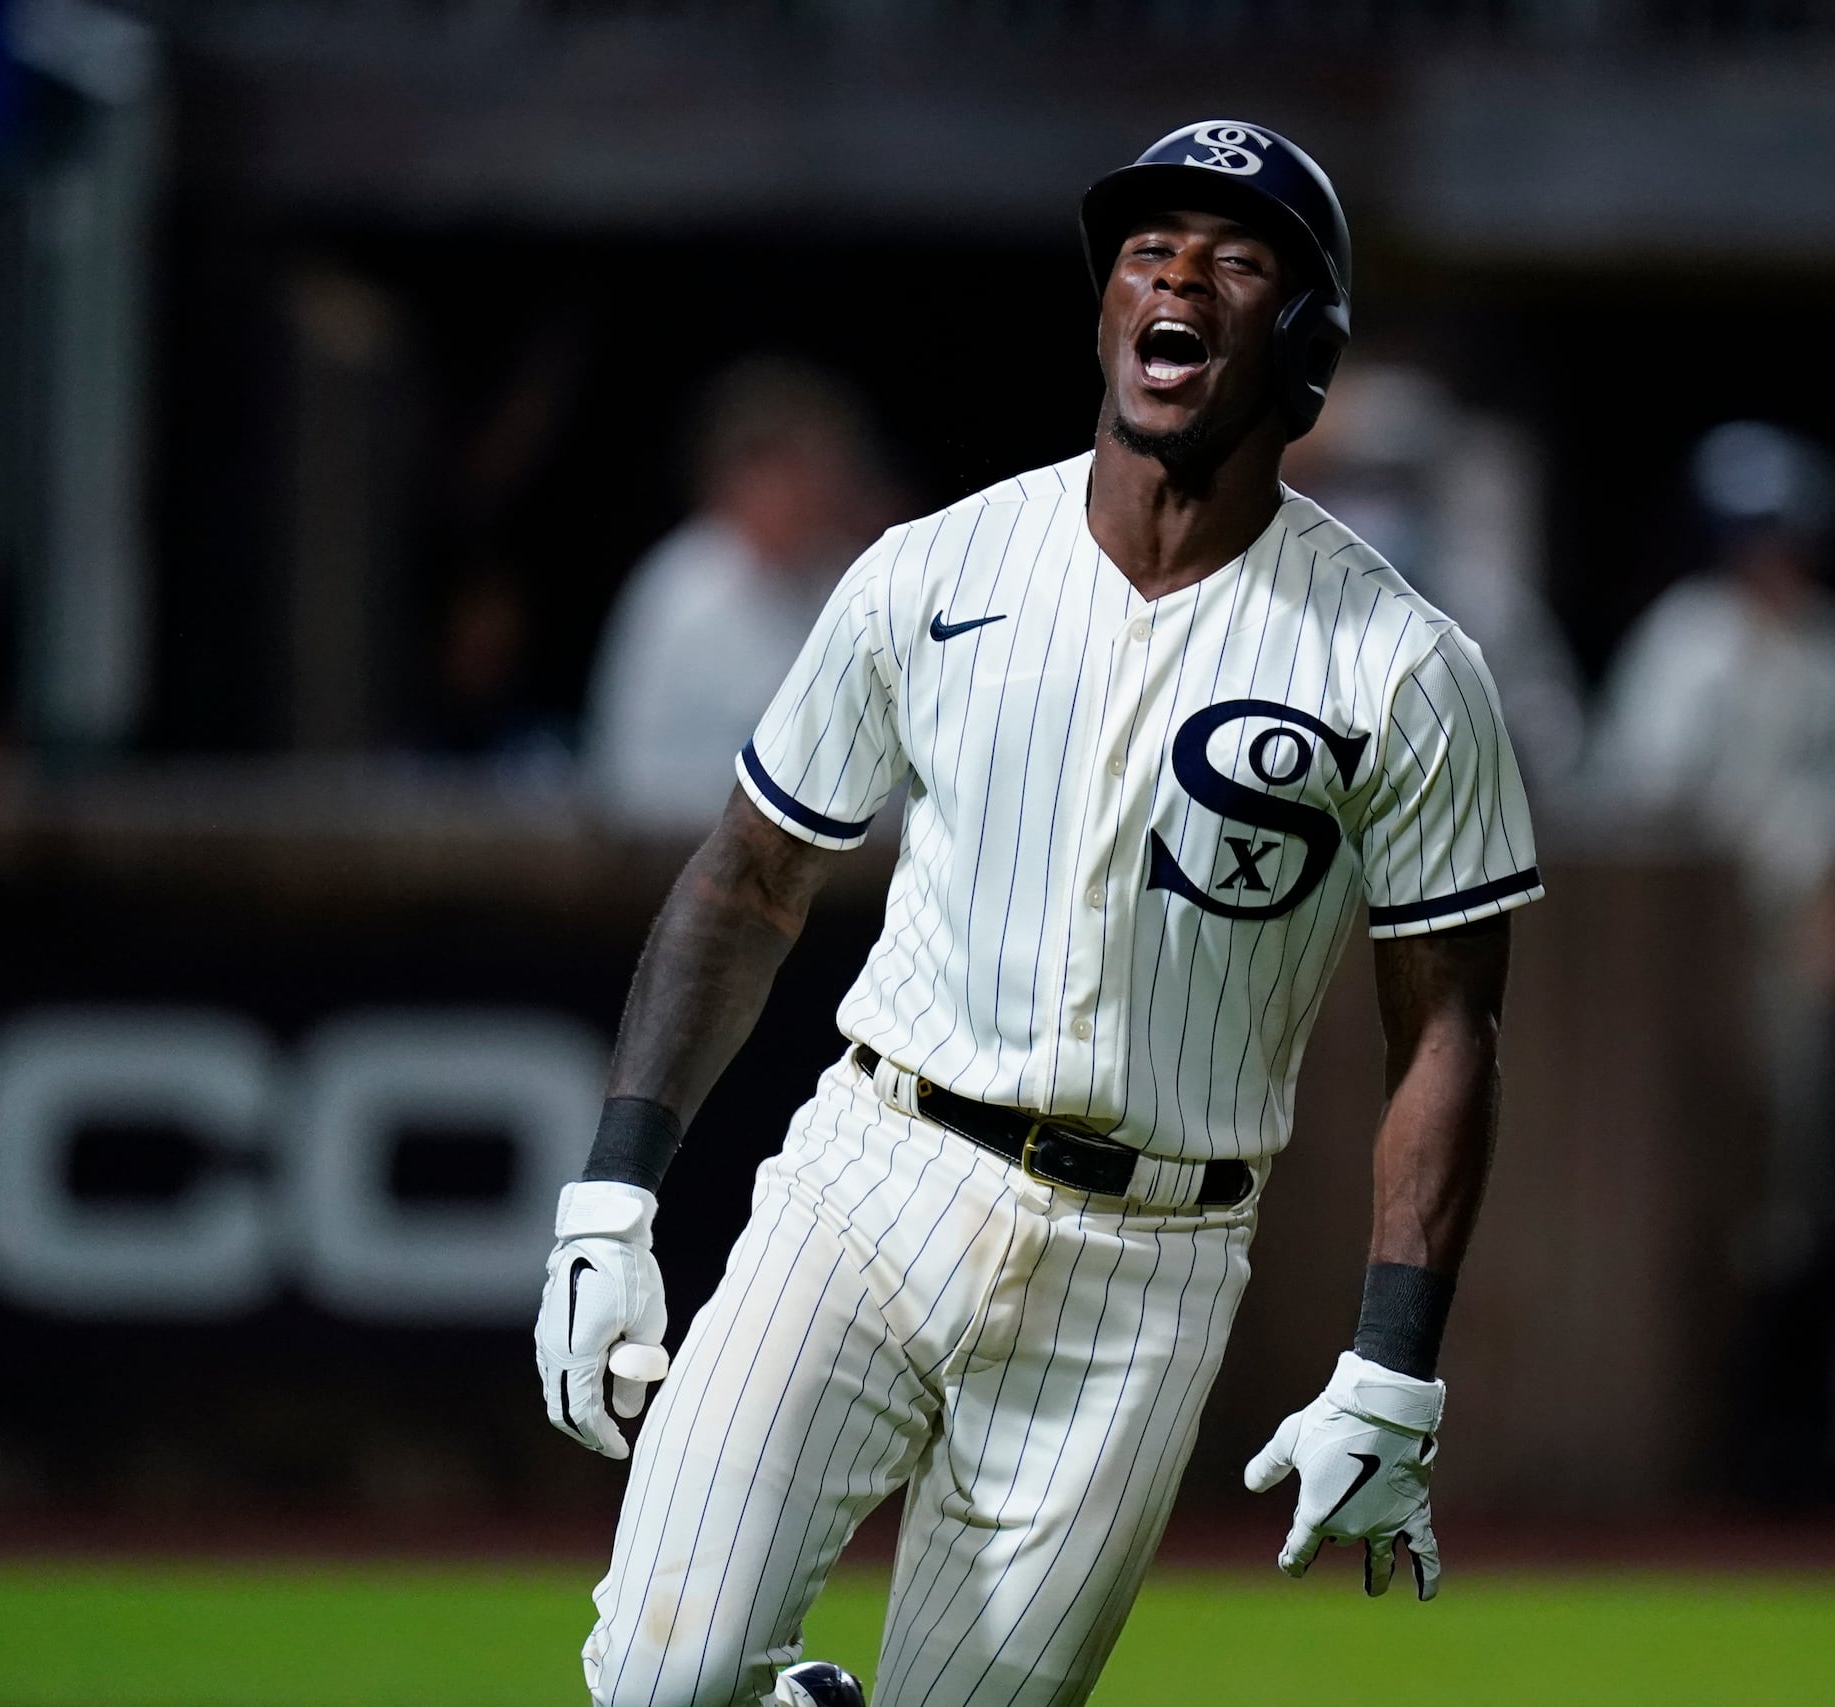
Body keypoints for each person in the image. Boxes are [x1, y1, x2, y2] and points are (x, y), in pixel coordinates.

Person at [533, 119, 1541, 1707]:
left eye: (1237, 258)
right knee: (665, 1679)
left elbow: (1446, 1024)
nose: (1181, 280)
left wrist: (1397, 1356)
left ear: (1309, 340)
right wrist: (613, 1192)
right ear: (1103, 310)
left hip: (1147, 1261)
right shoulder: (930, 569)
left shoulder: (1405, 666)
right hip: (871, 1180)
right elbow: (749, 873)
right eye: (1151, 250)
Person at [1582, 422, 1835, 1278]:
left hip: (1799, 932)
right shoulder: (1686, 642)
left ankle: (1782, 1350)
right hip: (1703, 932)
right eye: (1761, 541)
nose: (1778, 560)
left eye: (1792, 541)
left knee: (1795, 1149)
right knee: (1693, 1139)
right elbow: (1640, 808)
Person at [583, 359, 893, 833]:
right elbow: (628, 771)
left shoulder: (848, 581)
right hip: (687, 863)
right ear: (741, 475)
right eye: (795, 473)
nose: (817, 493)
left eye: (827, 474)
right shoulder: (680, 589)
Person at [1280, 360, 1588, 792]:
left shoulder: (1488, 607)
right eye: (1354, 481)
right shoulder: (1269, 597)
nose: (1375, 506)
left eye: (1394, 483)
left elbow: (1554, 759)